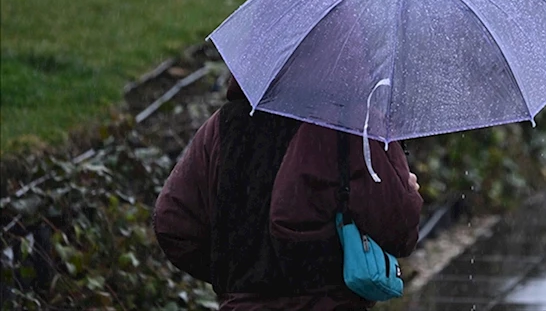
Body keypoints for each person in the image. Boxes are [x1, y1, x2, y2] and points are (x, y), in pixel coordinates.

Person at [153, 77, 423, 310]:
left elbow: (173, 222)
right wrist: (406, 191)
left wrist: (237, 279)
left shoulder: (225, 125)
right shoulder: (351, 123)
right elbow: (398, 229)